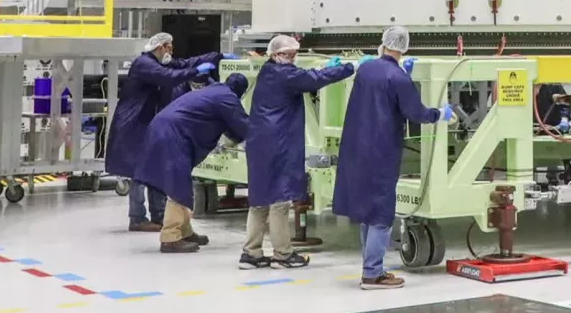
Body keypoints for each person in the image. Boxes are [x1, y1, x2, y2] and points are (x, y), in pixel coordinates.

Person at [333, 26, 453, 290]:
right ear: (405, 48)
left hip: (356, 147)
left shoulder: (366, 69)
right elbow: (416, 112)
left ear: (383, 44)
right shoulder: (399, 78)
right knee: (381, 214)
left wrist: (402, 74)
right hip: (381, 151)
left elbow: (379, 89)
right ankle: (373, 274)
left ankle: (371, 267)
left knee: (367, 210)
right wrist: (439, 114)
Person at [241, 35, 355, 270]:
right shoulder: (285, 76)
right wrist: (349, 67)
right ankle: (283, 255)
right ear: (274, 54)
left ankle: (251, 253)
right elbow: (315, 79)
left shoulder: (268, 71)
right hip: (277, 144)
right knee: (279, 200)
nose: (292, 59)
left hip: (260, 143)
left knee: (259, 200)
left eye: (294, 54)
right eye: (287, 54)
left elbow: (308, 76)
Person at [106, 32, 229, 232]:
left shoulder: (162, 62)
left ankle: (158, 215)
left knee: (155, 166)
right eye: (169, 47)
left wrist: (217, 56)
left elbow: (185, 63)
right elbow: (169, 77)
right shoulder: (144, 64)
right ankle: (137, 218)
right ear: (159, 47)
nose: (171, 51)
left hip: (148, 121)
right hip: (133, 123)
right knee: (137, 171)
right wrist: (194, 71)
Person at [135, 74, 251, 252]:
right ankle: (170, 237)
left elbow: (228, 126)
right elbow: (243, 125)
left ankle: (184, 230)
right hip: (173, 135)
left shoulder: (214, 92)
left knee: (181, 183)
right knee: (177, 186)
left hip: (165, 129)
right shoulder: (227, 97)